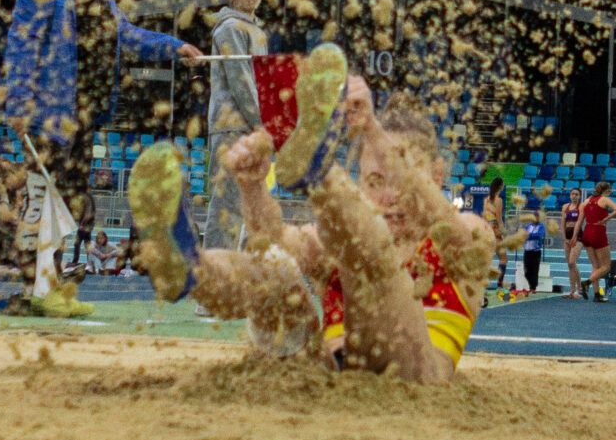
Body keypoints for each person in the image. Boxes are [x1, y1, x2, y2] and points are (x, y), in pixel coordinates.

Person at [127, 62, 493, 383]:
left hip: (413, 378)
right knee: (274, 269)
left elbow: (446, 229)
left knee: (371, 246)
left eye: (399, 178)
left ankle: (320, 172)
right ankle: (191, 269)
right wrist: (252, 187)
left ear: (437, 175)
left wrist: (370, 128)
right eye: (374, 181)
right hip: (326, 377)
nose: (388, 196)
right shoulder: (337, 236)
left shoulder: (468, 236)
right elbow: (271, 238)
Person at [0, 0, 205, 244]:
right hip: (50, 114)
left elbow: (125, 33)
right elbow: (23, 41)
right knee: (43, 204)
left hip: (84, 115)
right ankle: (30, 274)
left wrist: (175, 46)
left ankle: (54, 274)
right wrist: (18, 104)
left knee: (69, 206)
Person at [205, 0, 267, 250]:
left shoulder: (255, 29)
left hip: (250, 127)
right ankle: (216, 272)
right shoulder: (230, 28)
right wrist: (262, 124)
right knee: (226, 207)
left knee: (246, 207)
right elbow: (242, 81)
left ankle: (235, 269)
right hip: (232, 126)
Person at [579, 177, 616, 300]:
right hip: (598, 232)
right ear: (607, 190)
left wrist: (574, 236)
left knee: (595, 266)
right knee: (606, 266)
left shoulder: (587, 201)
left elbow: (580, 220)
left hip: (587, 231)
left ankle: (597, 294)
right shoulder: (604, 199)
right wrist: (606, 218)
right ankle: (587, 282)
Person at [560, 187, 585, 294]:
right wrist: (564, 237)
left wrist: (574, 237)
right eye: (572, 194)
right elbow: (563, 223)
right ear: (570, 195)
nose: (574, 196)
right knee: (570, 264)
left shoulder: (581, 206)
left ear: (579, 196)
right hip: (567, 235)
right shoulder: (565, 207)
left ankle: (579, 287)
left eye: (576, 194)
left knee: (572, 261)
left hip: (578, 235)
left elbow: (580, 222)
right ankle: (573, 289)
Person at [521, 205, 547, 297]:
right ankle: (531, 285)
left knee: (535, 270)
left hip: (536, 251)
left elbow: (539, 236)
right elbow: (523, 235)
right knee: (527, 271)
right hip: (527, 251)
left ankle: (533, 287)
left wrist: (528, 235)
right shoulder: (527, 226)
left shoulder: (541, 226)